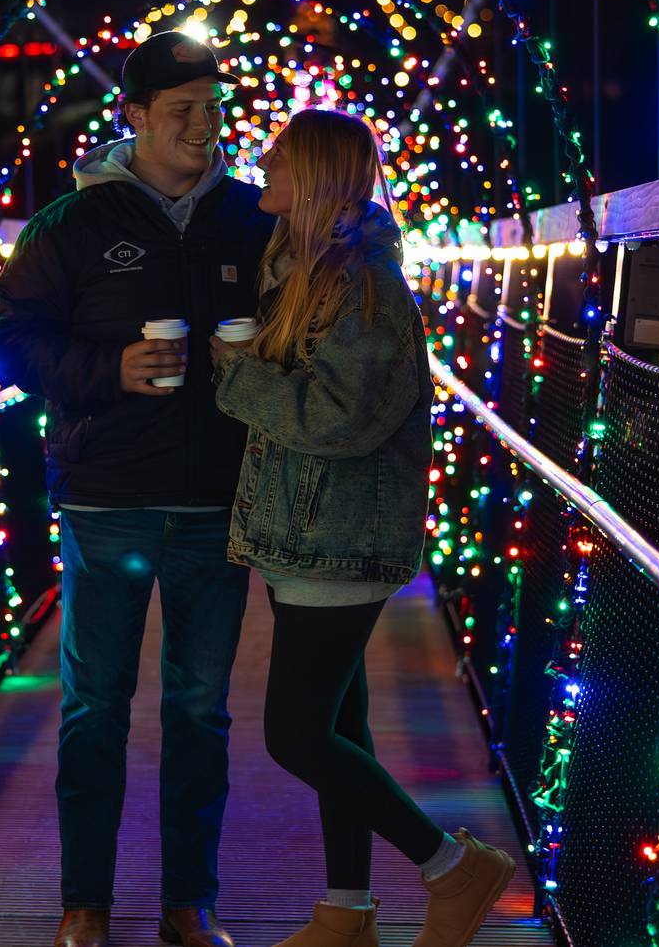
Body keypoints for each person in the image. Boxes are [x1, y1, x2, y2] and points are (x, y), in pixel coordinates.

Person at [0, 30, 277, 947]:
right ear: (138, 116)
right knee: (95, 706)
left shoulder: (252, 217)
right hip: (107, 496)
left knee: (200, 708)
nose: (204, 126)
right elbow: (11, 342)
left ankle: (190, 904)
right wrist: (109, 366)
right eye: (184, 111)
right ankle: (86, 905)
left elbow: (304, 326)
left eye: (213, 110)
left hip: (216, 499)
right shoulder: (69, 226)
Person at [207, 109, 516, 947]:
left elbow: (340, 418)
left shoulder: (366, 291)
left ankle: (454, 867)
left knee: (296, 734)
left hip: (336, 536)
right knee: (340, 726)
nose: (260, 162)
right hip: (308, 529)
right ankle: (346, 915)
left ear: (312, 177)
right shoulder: (310, 268)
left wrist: (233, 377)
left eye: (278, 156)